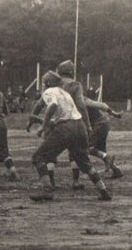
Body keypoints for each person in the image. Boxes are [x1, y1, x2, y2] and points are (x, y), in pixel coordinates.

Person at [28, 71, 112, 201]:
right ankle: (103, 191)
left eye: (44, 82)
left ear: (48, 83)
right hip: (80, 126)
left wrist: (43, 125)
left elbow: (53, 106)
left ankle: (47, 190)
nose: (43, 85)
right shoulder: (65, 93)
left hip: (65, 128)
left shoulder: (49, 92)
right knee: (84, 162)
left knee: (38, 157)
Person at [70, 86, 124, 187]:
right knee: (100, 149)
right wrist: (114, 114)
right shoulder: (76, 100)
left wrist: (114, 113)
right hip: (102, 123)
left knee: (83, 148)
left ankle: (76, 181)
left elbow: (101, 105)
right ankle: (116, 170)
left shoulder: (81, 100)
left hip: (99, 124)